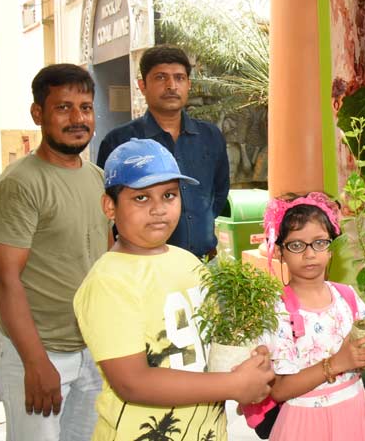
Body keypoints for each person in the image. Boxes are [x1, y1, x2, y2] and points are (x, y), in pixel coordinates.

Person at [73, 138, 275, 440]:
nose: (158, 209)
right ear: (109, 206)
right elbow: (132, 382)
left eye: (169, 195)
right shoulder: (109, 282)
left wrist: (246, 361)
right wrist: (232, 386)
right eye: (141, 198)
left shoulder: (188, 263)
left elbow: (210, 344)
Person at [0, 64, 110, 441]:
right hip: (37, 353)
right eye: (64, 107)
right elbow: (4, 279)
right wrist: (35, 362)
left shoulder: (96, 177)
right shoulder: (20, 183)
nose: (78, 118)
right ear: (38, 113)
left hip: (90, 349)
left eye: (85, 107)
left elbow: (102, 263)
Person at [260, 192, 365, 441]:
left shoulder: (347, 297)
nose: (309, 254)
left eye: (319, 242)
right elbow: (280, 390)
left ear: (330, 248)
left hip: (352, 412)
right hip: (304, 423)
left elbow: (364, 354)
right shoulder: (277, 309)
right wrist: (337, 363)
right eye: (296, 245)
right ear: (280, 251)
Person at [96, 45, 229, 258]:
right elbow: (109, 206)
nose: (171, 86)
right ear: (142, 85)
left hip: (204, 264)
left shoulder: (210, 137)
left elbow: (219, 193)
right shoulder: (119, 142)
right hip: (144, 264)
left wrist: (199, 226)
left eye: (179, 78)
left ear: (189, 84)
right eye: (160, 78)